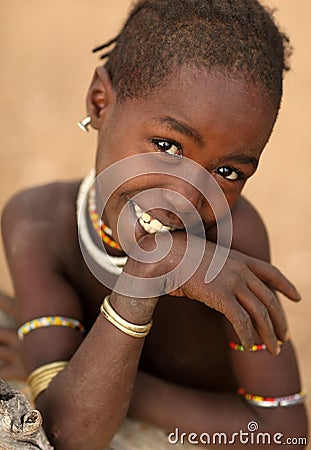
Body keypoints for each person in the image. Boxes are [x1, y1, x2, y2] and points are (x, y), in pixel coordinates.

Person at [0, 0, 308, 448]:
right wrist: (146, 276)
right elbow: (65, 430)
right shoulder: (37, 222)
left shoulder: (233, 237)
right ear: (100, 102)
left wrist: (125, 374)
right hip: (87, 410)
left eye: (227, 172)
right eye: (168, 146)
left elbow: (283, 435)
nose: (185, 198)